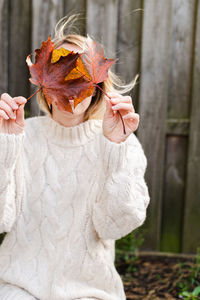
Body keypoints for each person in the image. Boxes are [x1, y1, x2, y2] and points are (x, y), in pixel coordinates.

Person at [0, 15, 150, 300]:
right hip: (18, 286)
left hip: (90, 291)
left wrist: (115, 151)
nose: (69, 87)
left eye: (79, 76)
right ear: (44, 80)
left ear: (97, 85)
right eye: (60, 73)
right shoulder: (20, 136)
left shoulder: (119, 142)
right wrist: (5, 148)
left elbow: (115, 225)